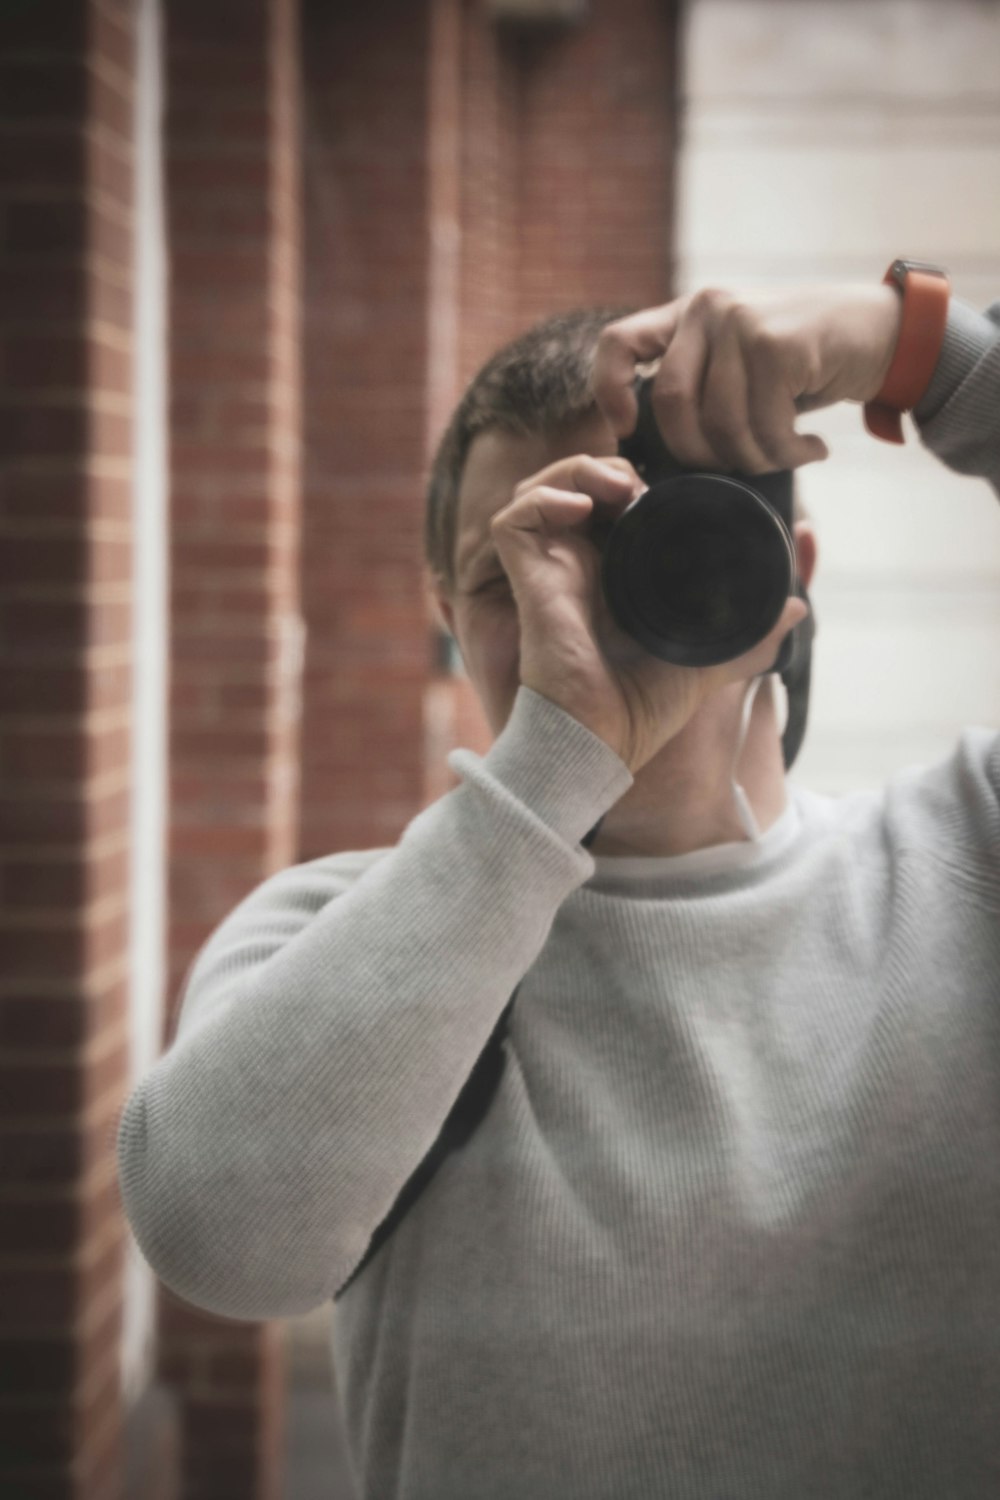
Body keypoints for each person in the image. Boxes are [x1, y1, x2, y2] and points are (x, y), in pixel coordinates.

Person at [117, 274, 1000, 1499]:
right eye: (512, 577)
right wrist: (555, 761)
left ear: (788, 572)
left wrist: (922, 350)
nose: (581, 605)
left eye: (651, 541)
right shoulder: (337, 932)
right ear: (449, 613)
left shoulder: (973, 865)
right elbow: (219, 1241)